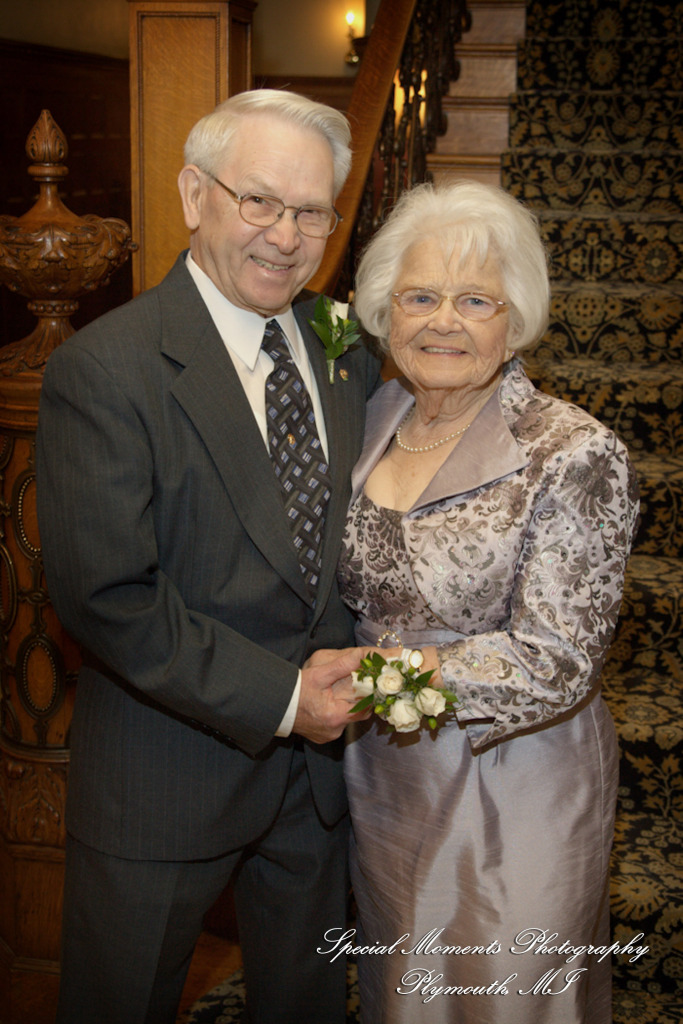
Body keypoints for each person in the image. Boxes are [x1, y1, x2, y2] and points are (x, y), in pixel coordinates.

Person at [35, 89, 379, 1024]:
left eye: (312, 211)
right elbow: (109, 596)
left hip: (316, 793)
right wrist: (284, 700)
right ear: (195, 194)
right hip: (166, 777)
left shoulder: (347, 349)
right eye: (256, 200)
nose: (285, 235)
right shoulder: (107, 369)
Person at [330, 180, 639, 1023]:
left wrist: (378, 678)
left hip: (513, 780)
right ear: (384, 309)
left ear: (515, 319)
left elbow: (556, 659)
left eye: (474, 301)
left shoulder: (572, 451)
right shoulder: (364, 418)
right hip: (383, 776)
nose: (443, 322)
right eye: (421, 296)